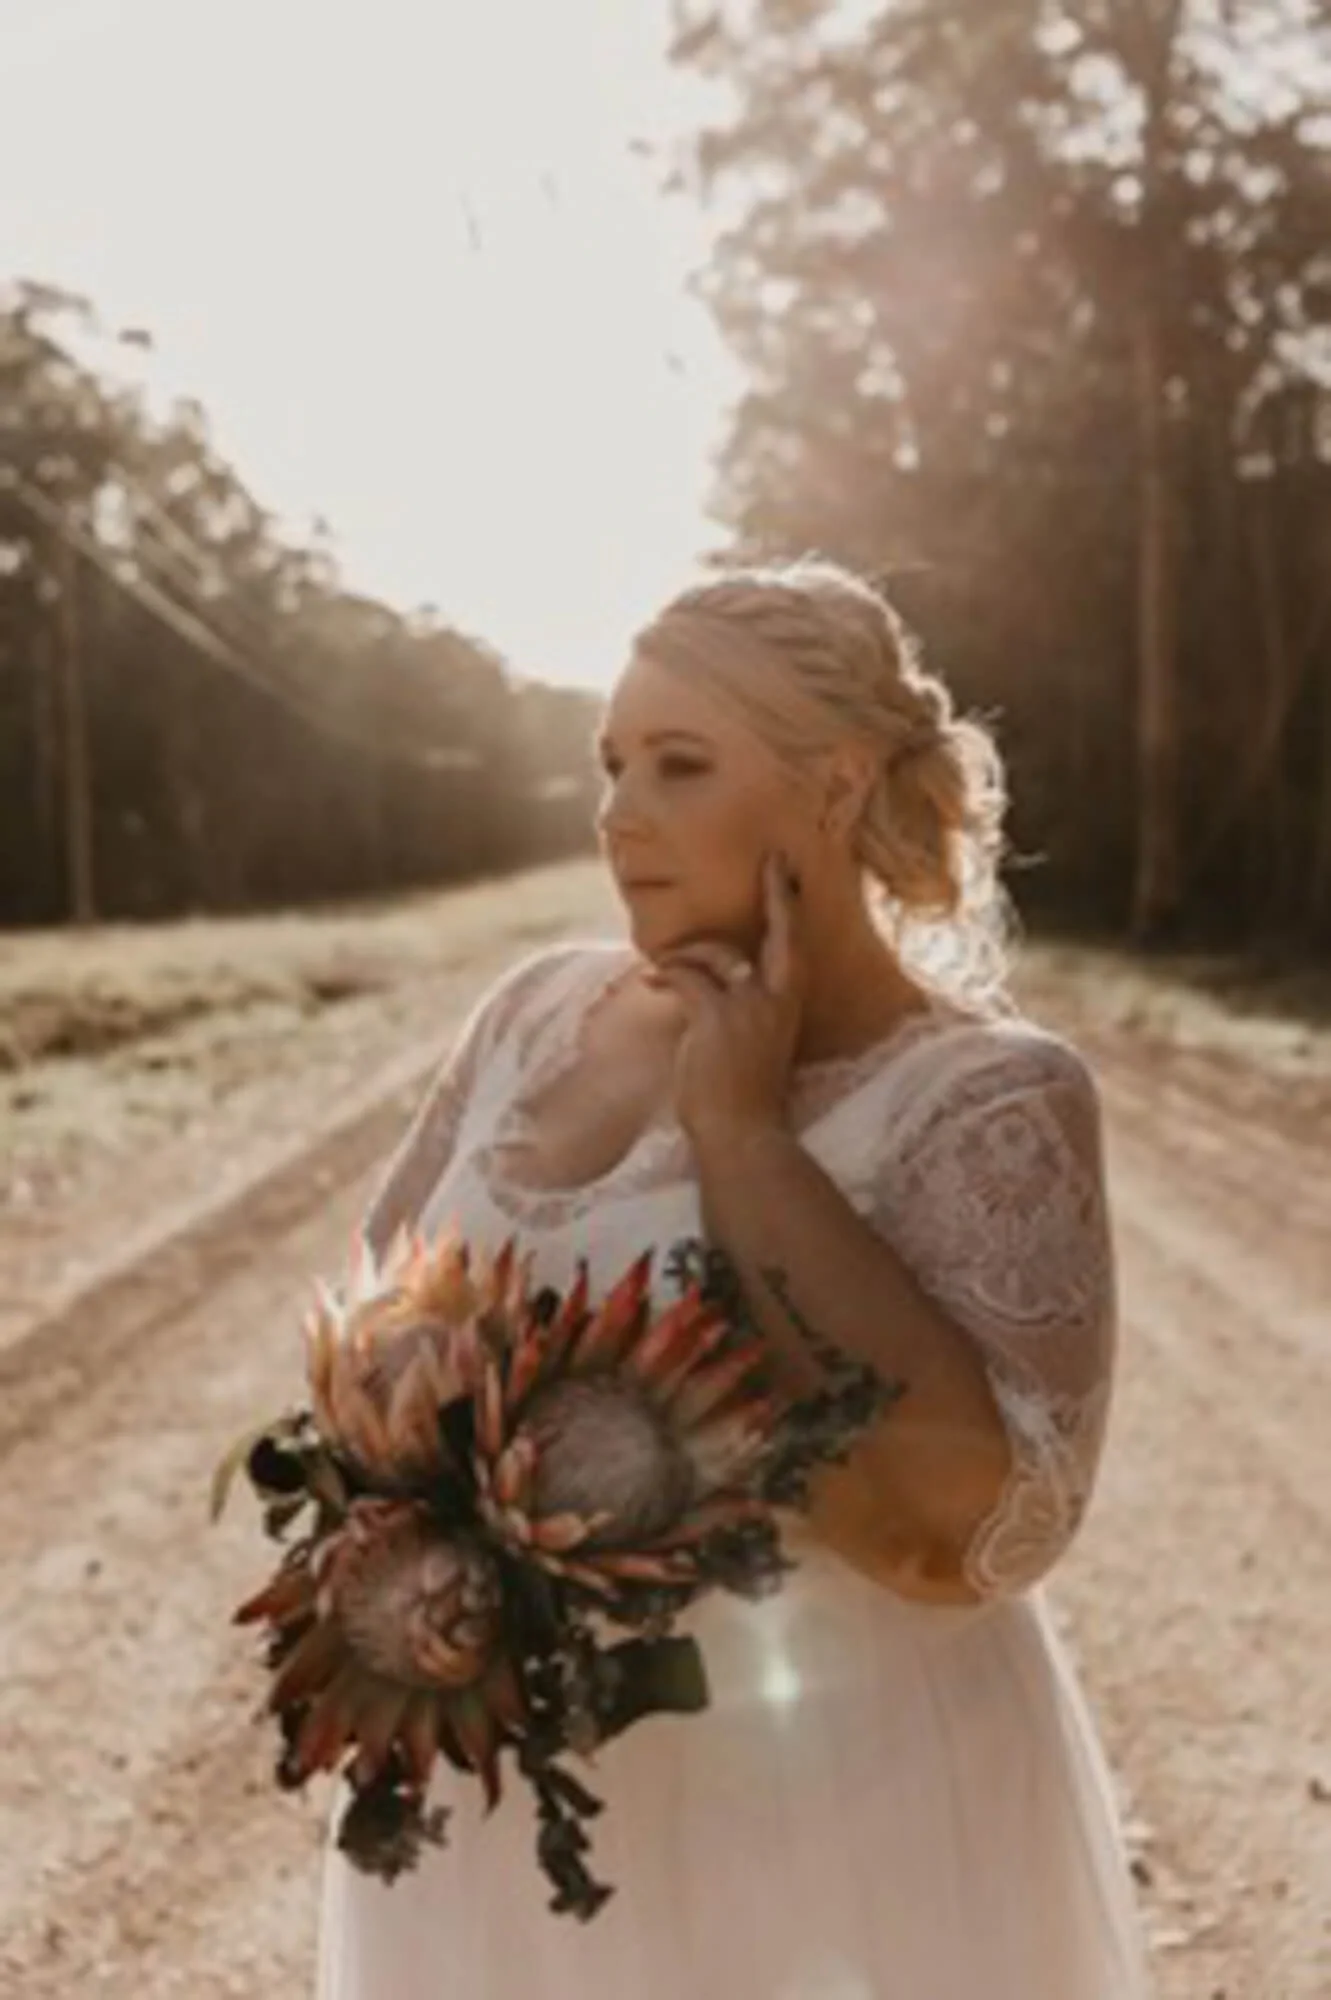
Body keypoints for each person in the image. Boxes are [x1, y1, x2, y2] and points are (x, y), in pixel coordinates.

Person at [317, 557, 1151, 1998]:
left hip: (842, 1818)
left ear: (832, 787)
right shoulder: (530, 1014)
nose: (617, 813)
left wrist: (742, 1134)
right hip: (514, 1819)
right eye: (610, 763)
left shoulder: (986, 1099)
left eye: (679, 765)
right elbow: (370, 1332)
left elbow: (986, 1530)